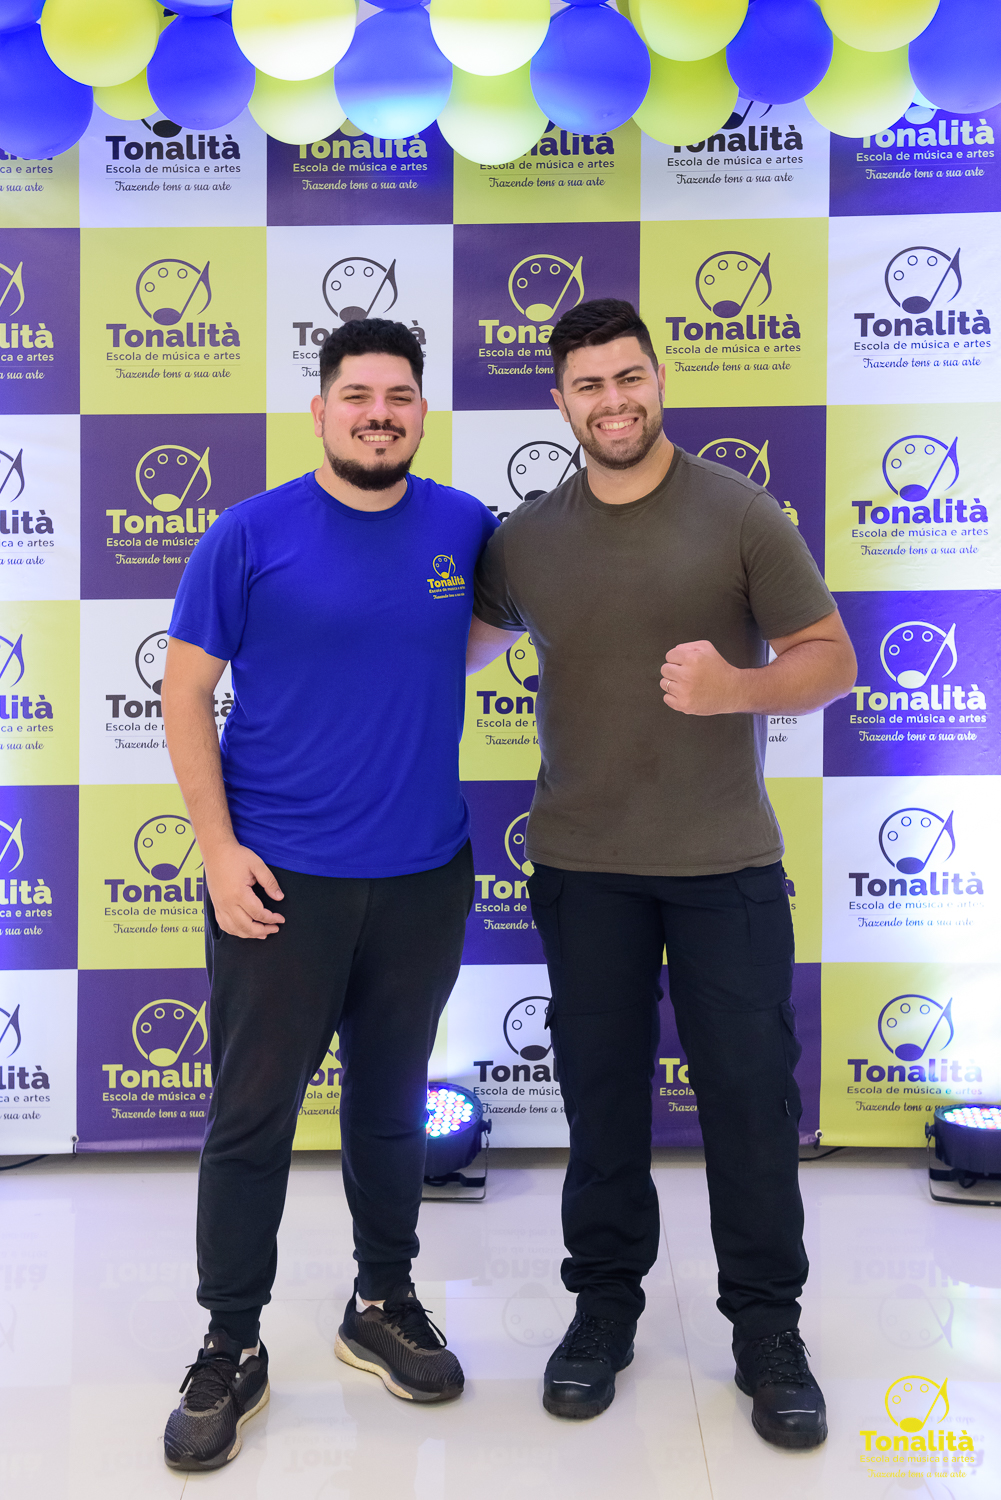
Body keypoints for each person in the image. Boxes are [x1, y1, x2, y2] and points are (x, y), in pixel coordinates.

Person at [471, 299, 857, 1447]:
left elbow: (829, 658)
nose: (612, 400)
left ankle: (766, 1328)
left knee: (748, 1101)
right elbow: (454, 649)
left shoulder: (740, 513)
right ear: (559, 402)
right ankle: (602, 1309)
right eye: (588, 385)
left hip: (723, 864)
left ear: (657, 379)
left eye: (627, 377)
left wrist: (737, 687)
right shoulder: (524, 538)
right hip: (581, 867)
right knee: (599, 1101)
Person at [159, 318, 507, 1471]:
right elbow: (184, 692)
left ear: (421, 412)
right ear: (320, 411)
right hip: (279, 882)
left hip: (421, 875)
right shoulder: (247, 534)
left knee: (392, 1105)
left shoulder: (463, 527)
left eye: (398, 396)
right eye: (356, 395)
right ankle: (230, 1341)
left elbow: (466, 640)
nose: (378, 414)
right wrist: (217, 850)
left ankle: (381, 1300)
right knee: (250, 1118)